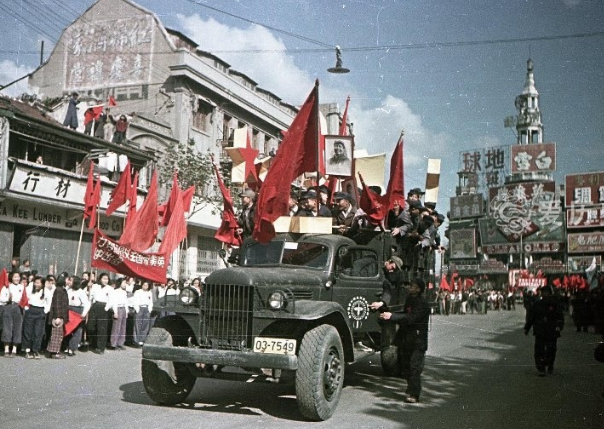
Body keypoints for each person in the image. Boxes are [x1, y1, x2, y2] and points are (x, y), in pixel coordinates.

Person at [378, 278, 430, 403]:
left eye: (412, 286)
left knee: (414, 367)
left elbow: (411, 318)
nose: (409, 288)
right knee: (405, 366)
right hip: (406, 339)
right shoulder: (410, 299)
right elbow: (405, 313)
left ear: (418, 289)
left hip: (418, 341)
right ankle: (410, 388)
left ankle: (414, 394)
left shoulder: (422, 303)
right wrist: (389, 314)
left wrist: (392, 317)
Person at [524, 284, 564, 376]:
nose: (545, 294)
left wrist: (559, 326)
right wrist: (527, 328)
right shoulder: (537, 304)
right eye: (544, 292)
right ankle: (541, 368)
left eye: (547, 292)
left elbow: (560, 317)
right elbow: (532, 317)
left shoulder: (555, 304)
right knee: (539, 350)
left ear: (550, 293)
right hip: (540, 330)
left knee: (551, 349)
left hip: (552, 330)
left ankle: (550, 365)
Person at [1, 271, 25, 357]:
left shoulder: (22, 287)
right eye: (15, 277)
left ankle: (14, 349)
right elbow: (1, 298)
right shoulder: (7, 287)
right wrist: (7, 299)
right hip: (8, 307)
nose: (17, 279)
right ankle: (6, 349)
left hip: (18, 307)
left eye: (18, 277)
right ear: (11, 277)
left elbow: (24, 298)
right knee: (7, 328)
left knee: (17, 328)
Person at [88, 272, 113, 354]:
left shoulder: (110, 289)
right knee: (91, 326)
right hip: (95, 306)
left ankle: (100, 347)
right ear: (100, 279)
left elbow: (111, 300)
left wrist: (106, 308)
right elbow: (90, 296)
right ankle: (93, 343)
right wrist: (89, 288)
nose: (105, 280)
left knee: (102, 328)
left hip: (103, 308)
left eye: (107, 279)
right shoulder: (95, 286)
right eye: (104, 279)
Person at [22, 276, 46, 359]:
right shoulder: (30, 288)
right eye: (35, 282)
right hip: (31, 310)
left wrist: (45, 311)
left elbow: (49, 302)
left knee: (38, 332)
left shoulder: (46, 291)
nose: (36, 284)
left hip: (40, 311)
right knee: (28, 331)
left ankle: (35, 350)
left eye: (38, 283)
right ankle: (27, 350)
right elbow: (25, 297)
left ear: (42, 284)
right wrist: (26, 308)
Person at [65, 277, 89, 356]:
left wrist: (84, 313)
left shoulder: (81, 292)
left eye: (71, 280)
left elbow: (87, 304)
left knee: (77, 331)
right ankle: (66, 346)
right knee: (68, 329)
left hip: (77, 311)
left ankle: (72, 348)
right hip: (69, 309)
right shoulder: (68, 290)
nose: (69, 282)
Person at [46, 276, 69, 359]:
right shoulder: (59, 290)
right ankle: (54, 352)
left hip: (60, 316)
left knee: (58, 334)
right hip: (58, 316)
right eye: (67, 279)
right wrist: (58, 317)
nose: (68, 281)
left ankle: (54, 351)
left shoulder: (61, 289)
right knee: (56, 334)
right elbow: (57, 305)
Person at [109, 278, 128, 350]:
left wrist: (127, 312)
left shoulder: (124, 292)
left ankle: (120, 343)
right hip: (118, 308)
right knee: (116, 327)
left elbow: (126, 302)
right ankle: (113, 344)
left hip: (123, 309)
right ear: (120, 283)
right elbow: (114, 302)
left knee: (123, 327)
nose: (125, 284)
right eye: (124, 283)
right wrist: (115, 312)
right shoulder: (115, 291)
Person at [133, 280, 154, 347]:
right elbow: (135, 301)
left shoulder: (149, 293)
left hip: (146, 309)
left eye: (146, 285)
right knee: (137, 325)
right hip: (140, 308)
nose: (145, 286)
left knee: (145, 325)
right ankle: (136, 340)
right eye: (143, 285)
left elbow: (151, 302)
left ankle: (142, 340)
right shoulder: (138, 292)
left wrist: (149, 310)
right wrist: (137, 309)